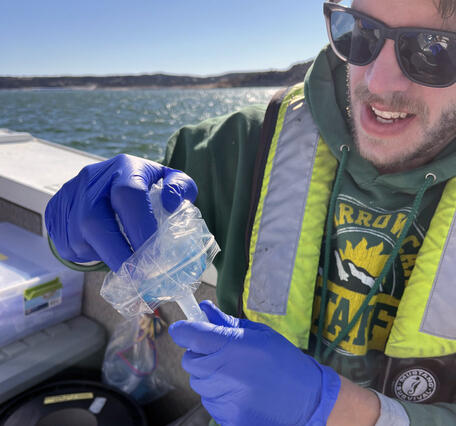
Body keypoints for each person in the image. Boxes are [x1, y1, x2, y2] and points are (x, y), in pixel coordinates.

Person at [45, 0, 456, 424]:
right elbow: (118, 229)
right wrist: (77, 226)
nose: (377, 80)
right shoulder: (243, 143)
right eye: (362, 34)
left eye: (433, 50)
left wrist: (340, 410)